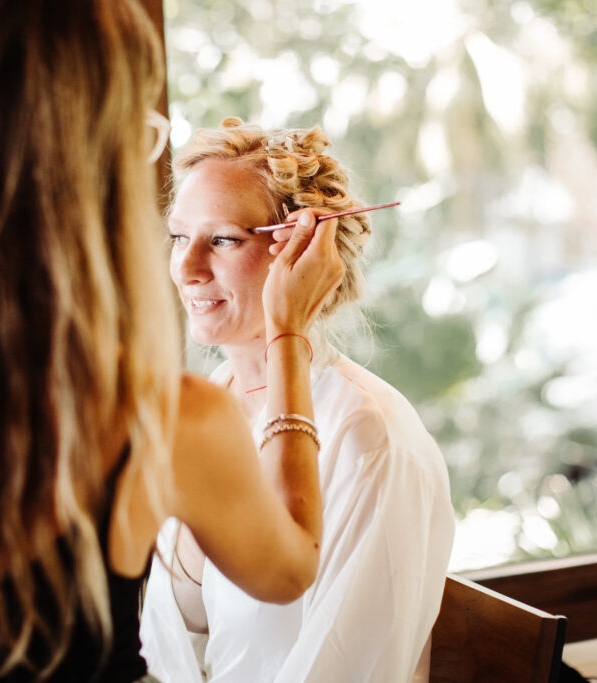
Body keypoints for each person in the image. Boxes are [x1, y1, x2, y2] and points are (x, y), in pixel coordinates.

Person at [0, 1, 345, 681]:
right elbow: (290, 566)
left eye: (223, 239)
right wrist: (286, 333)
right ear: (104, 149)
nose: (190, 263)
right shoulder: (162, 414)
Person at [140, 118, 454, 683]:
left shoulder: (369, 440)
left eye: (224, 239)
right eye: (180, 237)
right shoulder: (209, 406)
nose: (186, 269)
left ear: (304, 248)